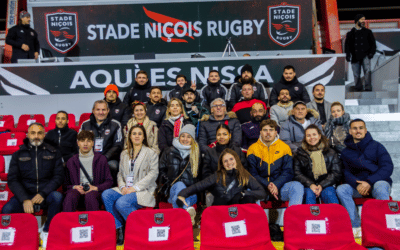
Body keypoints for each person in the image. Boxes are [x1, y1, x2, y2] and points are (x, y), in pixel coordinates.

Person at [2, 123, 63, 243]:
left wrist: (43, 193)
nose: (36, 136)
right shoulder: (18, 154)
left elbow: (58, 177)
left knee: (57, 197)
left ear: (44, 135)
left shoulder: (54, 153)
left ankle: (47, 232)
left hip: (45, 194)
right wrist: (24, 199)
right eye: (33, 133)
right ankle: (17, 235)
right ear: (28, 135)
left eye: (39, 133)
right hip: (25, 195)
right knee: (7, 210)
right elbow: (13, 179)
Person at [102, 125, 159, 245]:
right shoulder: (124, 153)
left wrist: (134, 188)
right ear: (130, 136)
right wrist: (122, 187)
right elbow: (120, 174)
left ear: (144, 137)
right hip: (126, 189)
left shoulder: (151, 153)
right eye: (134, 133)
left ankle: (140, 230)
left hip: (142, 190)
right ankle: (120, 228)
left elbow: (153, 174)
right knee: (106, 194)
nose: (136, 136)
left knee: (121, 203)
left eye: (139, 134)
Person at [336, 119, 393, 238]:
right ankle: (355, 227)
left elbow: (387, 167)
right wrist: (357, 185)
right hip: (357, 186)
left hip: (376, 183)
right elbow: (345, 172)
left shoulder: (377, 146)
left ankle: (383, 226)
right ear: (350, 131)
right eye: (355, 128)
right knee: (341, 189)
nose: (358, 131)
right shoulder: (346, 152)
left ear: (365, 130)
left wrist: (369, 182)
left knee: (381, 186)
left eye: (361, 128)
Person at [177, 148, 266, 207]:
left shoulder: (244, 174)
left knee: (249, 198)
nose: (229, 163)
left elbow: (262, 192)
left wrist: (243, 193)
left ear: (236, 160)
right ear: (222, 164)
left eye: (231, 159)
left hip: (239, 209)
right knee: (219, 200)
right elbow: (199, 185)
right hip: (222, 209)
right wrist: (182, 193)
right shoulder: (217, 175)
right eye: (225, 161)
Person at [247, 120, 304, 206]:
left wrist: (276, 185)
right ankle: (257, 219)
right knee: (249, 191)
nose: (268, 133)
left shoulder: (284, 147)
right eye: (265, 130)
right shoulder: (252, 149)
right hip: (261, 188)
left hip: (280, 187)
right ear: (260, 132)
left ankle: (293, 218)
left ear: (276, 132)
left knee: (297, 186)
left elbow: (288, 172)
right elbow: (252, 174)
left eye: (271, 130)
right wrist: (268, 185)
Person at [159, 124, 200, 225]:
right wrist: (167, 181)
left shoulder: (196, 153)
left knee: (178, 199)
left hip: (191, 192)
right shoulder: (168, 151)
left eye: (188, 136)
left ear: (192, 139)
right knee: (179, 185)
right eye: (183, 136)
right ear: (179, 136)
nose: (185, 139)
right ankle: (187, 213)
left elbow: (199, 177)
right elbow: (161, 170)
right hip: (172, 189)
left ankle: (180, 222)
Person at [63, 130, 113, 212]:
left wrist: (96, 188)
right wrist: (74, 187)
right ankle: (67, 223)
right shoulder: (71, 161)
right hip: (77, 192)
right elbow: (65, 185)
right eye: (82, 141)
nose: (85, 144)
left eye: (88, 141)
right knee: (71, 195)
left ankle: (94, 224)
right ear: (78, 143)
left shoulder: (101, 159)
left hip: (95, 194)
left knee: (90, 196)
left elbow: (109, 182)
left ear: (93, 143)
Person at [293, 125, 341, 204]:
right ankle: (311, 217)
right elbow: (297, 173)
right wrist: (310, 184)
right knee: (308, 196)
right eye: (308, 135)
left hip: (326, 185)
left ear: (319, 136)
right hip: (308, 186)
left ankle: (335, 216)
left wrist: (321, 185)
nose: (312, 138)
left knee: (330, 196)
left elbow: (336, 173)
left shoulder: (331, 152)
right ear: (305, 138)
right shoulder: (299, 153)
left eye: (314, 134)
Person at [80, 100, 123, 183]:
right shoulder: (85, 125)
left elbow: (118, 145)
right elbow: (79, 143)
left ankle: (110, 189)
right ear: (93, 110)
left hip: (108, 158)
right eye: (98, 109)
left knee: (113, 166)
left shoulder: (115, 124)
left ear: (108, 110)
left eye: (103, 110)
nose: (101, 112)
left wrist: (104, 158)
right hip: (89, 157)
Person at [345, 14, 376, 91]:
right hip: (355, 56)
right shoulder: (350, 33)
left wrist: (371, 53)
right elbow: (347, 46)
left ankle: (368, 87)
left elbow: (373, 44)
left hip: (365, 55)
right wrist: (348, 55)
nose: (363, 21)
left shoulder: (368, 32)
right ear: (357, 21)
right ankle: (358, 87)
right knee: (356, 74)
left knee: (367, 72)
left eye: (364, 20)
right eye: (362, 19)